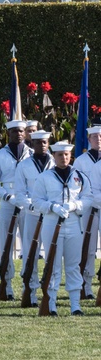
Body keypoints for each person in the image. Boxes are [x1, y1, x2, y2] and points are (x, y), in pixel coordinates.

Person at [32, 141, 91, 316]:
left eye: (66, 154)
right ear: (54, 156)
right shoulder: (44, 177)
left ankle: (75, 306)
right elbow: (36, 201)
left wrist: (75, 205)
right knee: (53, 265)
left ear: (70, 155)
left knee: (73, 265)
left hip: (74, 223)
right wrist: (52, 207)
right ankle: (51, 305)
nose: (63, 158)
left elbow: (88, 197)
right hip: (52, 223)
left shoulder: (79, 175)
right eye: (60, 155)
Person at [0, 119, 30, 300]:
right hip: (7, 202)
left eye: (21, 131)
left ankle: (28, 284)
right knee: (5, 245)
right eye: (14, 131)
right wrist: (7, 196)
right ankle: (7, 284)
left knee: (28, 244)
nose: (18, 134)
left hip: (26, 202)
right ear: (9, 133)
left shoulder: (32, 154)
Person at [12, 129, 52, 304]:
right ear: (32, 144)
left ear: (48, 143)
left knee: (52, 254)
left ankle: (50, 292)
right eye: (38, 142)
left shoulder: (55, 161)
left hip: (51, 216)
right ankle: (30, 290)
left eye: (44, 142)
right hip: (32, 215)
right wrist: (33, 205)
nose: (41, 145)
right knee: (30, 253)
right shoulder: (24, 165)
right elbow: (19, 193)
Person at [72, 125, 101, 298]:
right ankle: (86, 286)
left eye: (100, 136)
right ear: (89, 140)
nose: (98, 139)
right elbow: (78, 187)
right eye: (95, 136)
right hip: (89, 209)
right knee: (88, 249)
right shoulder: (81, 161)